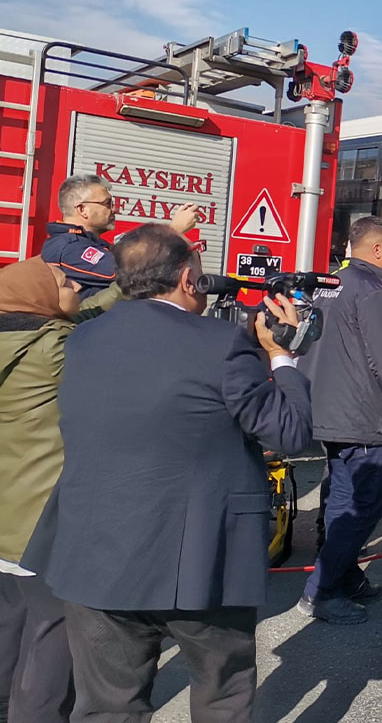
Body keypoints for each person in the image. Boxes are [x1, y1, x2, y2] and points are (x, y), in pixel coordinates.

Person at [21, 224, 311, 723]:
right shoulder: (221, 344)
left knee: (107, 705)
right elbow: (288, 434)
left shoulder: (83, 337)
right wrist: (282, 355)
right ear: (186, 278)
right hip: (199, 560)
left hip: (94, 555)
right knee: (222, 694)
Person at [0, 259, 120, 723]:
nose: (76, 287)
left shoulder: (26, 339)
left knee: (8, 623)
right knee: (53, 629)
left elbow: (82, 315)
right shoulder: (58, 347)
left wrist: (117, 291)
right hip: (41, 518)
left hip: (6, 513)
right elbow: (85, 331)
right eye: (66, 283)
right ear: (40, 300)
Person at [298, 215, 382, 625]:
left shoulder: (332, 284)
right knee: (366, 505)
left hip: (333, 412)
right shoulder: (374, 290)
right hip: (366, 418)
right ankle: (322, 592)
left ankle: (345, 576)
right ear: (377, 249)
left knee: (341, 504)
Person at [40, 174, 198, 299]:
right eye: (107, 203)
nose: (115, 209)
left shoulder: (86, 243)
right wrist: (173, 230)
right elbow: (130, 272)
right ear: (82, 210)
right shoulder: (68, 247)